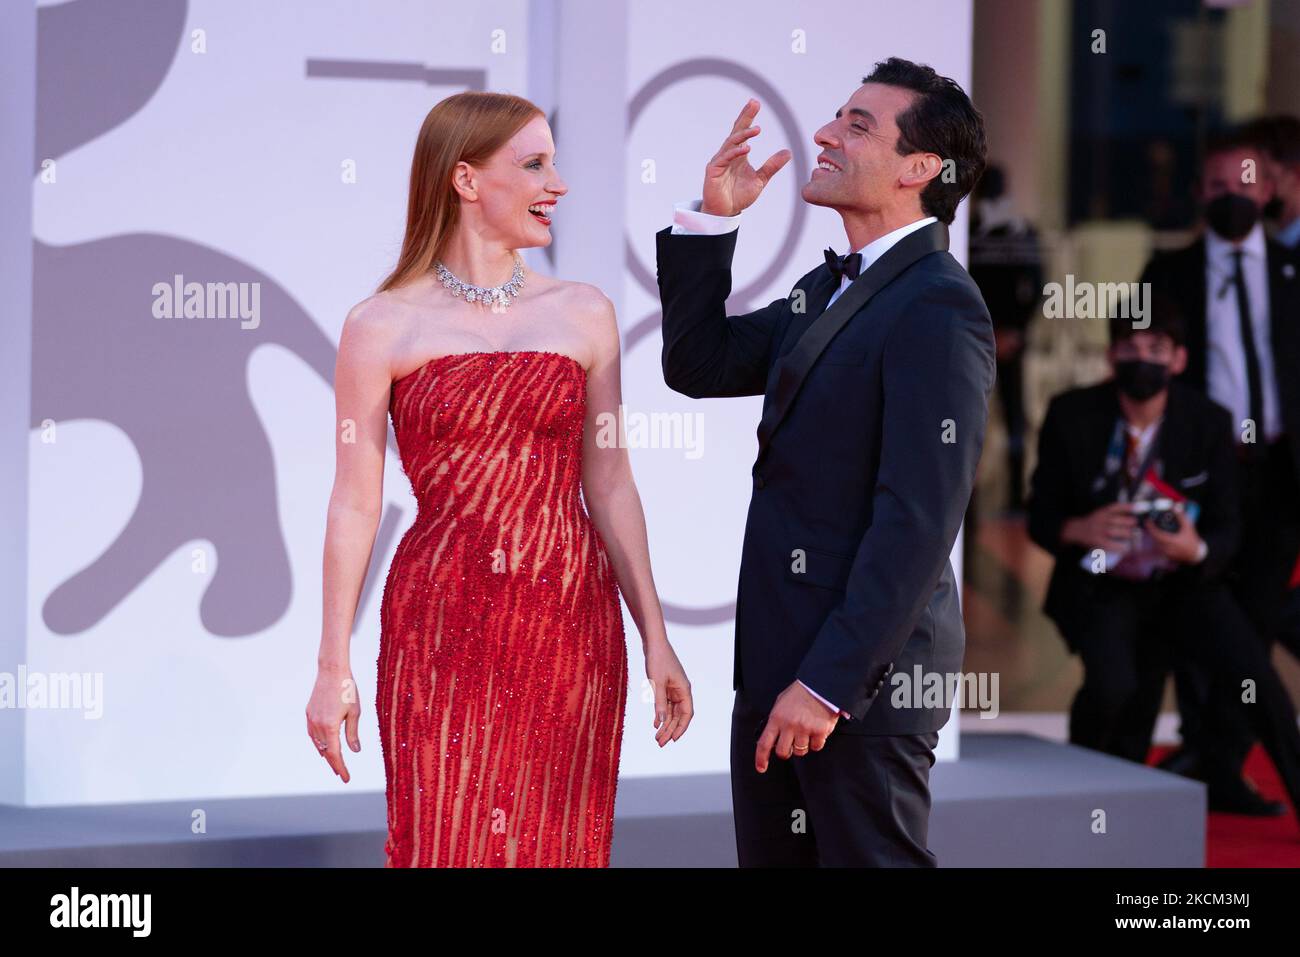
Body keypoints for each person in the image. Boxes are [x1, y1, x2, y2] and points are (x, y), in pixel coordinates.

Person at [305, 92, 692, 867]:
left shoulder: (584, 313)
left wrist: (657, 637)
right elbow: (355, 500)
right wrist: (331, 664)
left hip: (569, 627)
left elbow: (611, 482)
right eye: (535, 164)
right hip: (441, 625)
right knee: (445, 843)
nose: (559, 183)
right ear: (466, 179)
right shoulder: (379, 325)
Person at [658, 57, 995, 866]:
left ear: (920, 168)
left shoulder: (941, 306)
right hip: (776, 664)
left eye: (857, 125)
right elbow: (699, 365)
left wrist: (829, 684)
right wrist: (714, 221)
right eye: (837, 116)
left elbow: (917, 522)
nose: (824, 133)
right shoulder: (829, 286)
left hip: (856, 689)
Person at [1027, 308, 1300, 824]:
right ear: (1111, 355)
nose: (1142, 360)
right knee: (1115, 688)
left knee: (1256, 678)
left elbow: (1227, 526)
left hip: (1184, 583)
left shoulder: (1208, 421)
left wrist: (1195, 549)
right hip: (1104, 582)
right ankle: (1079, 792)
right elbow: (1041, 513)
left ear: (1179, 359)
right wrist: (1077, 528)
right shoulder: (1072, 414)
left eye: (1156, 350)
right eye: (1130, 348)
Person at [1138, 124, 1300, 814]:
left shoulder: (1295, 271)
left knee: (1256, 616)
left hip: (1281, 470)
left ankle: (1218, 753)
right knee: (1199, 609)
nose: (1225, 196)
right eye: (1211, 186)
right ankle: (1209, 748)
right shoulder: (1167, 270)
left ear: (1266, 189)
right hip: (1207, 469)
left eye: (1240, 183)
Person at [968, 163, 1043, 511]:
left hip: (1002, 340)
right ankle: (976, 496)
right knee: (973, 419)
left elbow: (1037, 288)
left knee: (1012, 417)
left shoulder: (1019, 233)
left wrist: (1014, 332)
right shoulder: (970, 233)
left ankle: (1014, 493)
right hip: (981, 340)